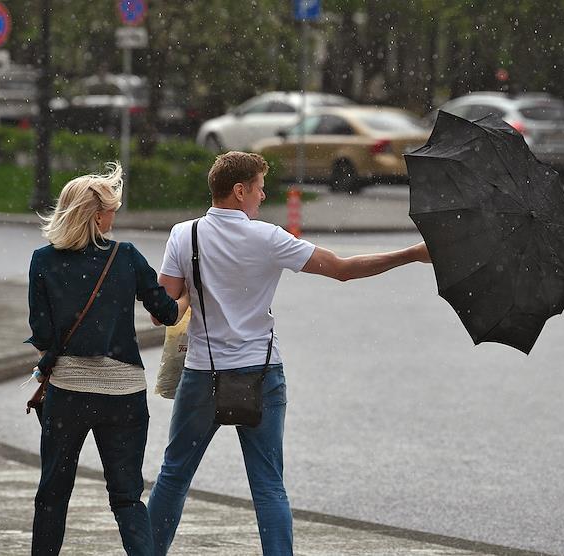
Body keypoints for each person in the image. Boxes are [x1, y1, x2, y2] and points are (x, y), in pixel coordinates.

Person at [146, 151, 431, 555]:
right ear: (239, 190)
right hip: (260, 375)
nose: (263, 196)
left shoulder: (184, 235)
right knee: (268, 486)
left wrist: (191, 294)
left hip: (202, 375)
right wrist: (411, 255)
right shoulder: (269, 238)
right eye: (260, 188)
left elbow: (164, 314)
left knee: (173, 476)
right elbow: (343, 269)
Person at [26, 162, 188, 556]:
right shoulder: (125, 256)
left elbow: (43, 335)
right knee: (127, 497)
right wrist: (189, 300)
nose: (115, 215)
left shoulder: (43, 261)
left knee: (53, 494)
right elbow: (166, 313)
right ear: (97, 216)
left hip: (68, 397)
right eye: (111, 208)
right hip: (125, 399)